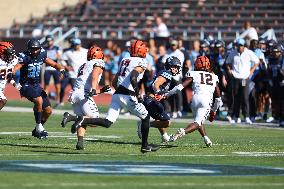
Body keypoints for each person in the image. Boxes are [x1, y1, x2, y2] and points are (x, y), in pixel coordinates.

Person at [65, 40, 159, 153]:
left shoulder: (124, 60)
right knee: (146, 117)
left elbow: (115, 80)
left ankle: (80, 120)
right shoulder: (142, 61)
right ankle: (145, 146)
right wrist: (138, 94)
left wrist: (118, 91)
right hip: (128, 95)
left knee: (107, 122)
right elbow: (133, 77)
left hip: (117, 94)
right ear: (140, 50)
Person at [11, 39, 65, 139]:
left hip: (36, 85)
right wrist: (12, 73)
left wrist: (61, 68)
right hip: (26, 85)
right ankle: (39, 127)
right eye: (33, 49)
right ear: (29, 49)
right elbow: (17, 67)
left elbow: (52, 63)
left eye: (37, 49)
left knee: (48, 111)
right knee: (38, 100)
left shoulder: (42, 54)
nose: (35, 51)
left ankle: (37, 129)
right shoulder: (25, 56)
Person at [61, 46, 111, 150]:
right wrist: (94, 88)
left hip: (75, 94)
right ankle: (70, 117)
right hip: (84, 94)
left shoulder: (84, 65)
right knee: (94, 120)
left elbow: (83, 83)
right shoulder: (99, 62)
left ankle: (80, 142)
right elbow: (95, 75)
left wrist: (100, 91)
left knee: (83, 120)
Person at [167, 56, 222, 147]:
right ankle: (182, 132)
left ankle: (206, 139)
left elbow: (180, 87)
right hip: (206, 100)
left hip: (195, 99)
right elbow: (218, 98)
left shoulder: (193, 73)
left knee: (198, 121)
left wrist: (167, 94)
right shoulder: (214, 76)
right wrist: (214, 110)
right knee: (198, 122)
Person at [138, 56, 181, 143]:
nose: (177, 69)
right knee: (166, 122)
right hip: (151, 100)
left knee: (159, 118)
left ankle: (164, 136)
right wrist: (158, 92)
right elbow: (155, 84)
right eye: (175, 67)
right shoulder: (167, 73)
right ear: (170, 66)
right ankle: (144, 125)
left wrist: (162, 94)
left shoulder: (164, 72)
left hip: (149, 99)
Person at [225, 38, 259, 124]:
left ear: (244, 46)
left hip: (245, 78)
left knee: (245, 98)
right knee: (236, 97)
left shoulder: (249, 53)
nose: (239, 47)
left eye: (240, 45)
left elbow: (257, 61)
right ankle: (236, 116)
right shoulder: (233, 53)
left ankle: (247, 116)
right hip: (236, 77)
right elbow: (227, 62)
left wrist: (251, 71)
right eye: (238, 45)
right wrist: (229, 70)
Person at [60, 38, 88, 104]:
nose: (76, 46)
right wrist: (66, 66)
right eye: (75, 44)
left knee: (80, 91)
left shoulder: (85, 51)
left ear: (80, 44)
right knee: (71, 89)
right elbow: (61, 59)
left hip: (83, 75)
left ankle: (82, 103)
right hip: (72, 74)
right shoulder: (69, 52)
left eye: (77, 44)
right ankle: (61, 101)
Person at [43, 35, 62, 108]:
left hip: (55, 69)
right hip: (47, 68)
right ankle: (45, 101)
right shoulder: (44, 48)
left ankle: (58, 101)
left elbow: (59, 57)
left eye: (50, 41)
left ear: (53, 41)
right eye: (48, 41)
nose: (49, 42)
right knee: (46, 86)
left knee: (57, 86)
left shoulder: (57, 48)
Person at [0, 42, 20, 110]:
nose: (11, 56)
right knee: (3, 100)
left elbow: (8, 76)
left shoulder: (14, 60)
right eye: (8, 54)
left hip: (1, 87)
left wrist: (15, 84)